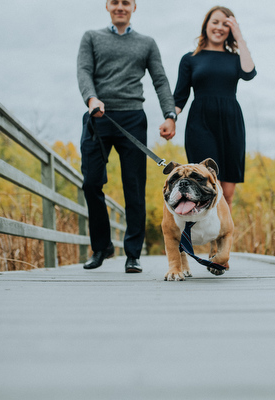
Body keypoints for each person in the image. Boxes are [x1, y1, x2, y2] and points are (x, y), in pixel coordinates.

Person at [77, 0, 177, 272]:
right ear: (107, 6)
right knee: (91, 184)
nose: (120, 6)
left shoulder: (147, 43)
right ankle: (101, 248)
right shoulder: (92, 37)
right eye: (115, 2)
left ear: (134, 7)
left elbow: (159, 79)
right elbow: (84, 71)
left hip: (133, 118)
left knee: (134, 188)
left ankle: (133, 253)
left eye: (126, 2)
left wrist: (170, 114)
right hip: (98, 116)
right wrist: (91, 98)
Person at [173, 6, 256, 213]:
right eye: (215, 22)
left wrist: (240, 37)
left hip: (231, 124)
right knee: (210, 186)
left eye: (225, 24)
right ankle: (200, 237)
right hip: (200, 124)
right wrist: (170, 118)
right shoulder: (190, 58)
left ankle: (222, 244)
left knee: (227, 193)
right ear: (206, 25)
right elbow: (179, 97)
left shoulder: (236, 58)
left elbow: (249, 73)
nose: (219, 27)